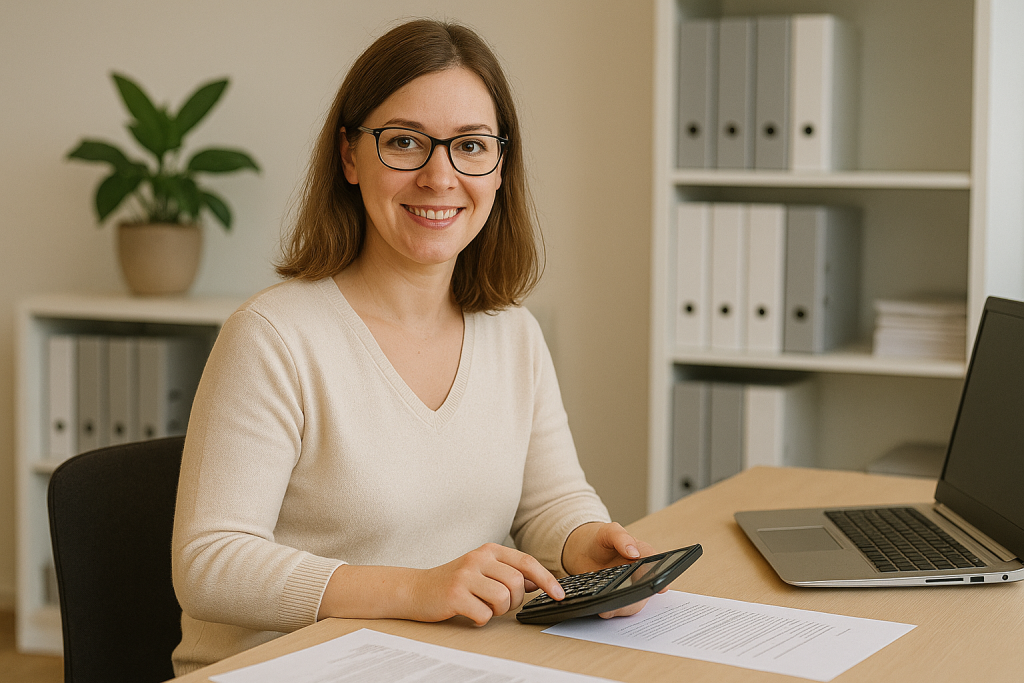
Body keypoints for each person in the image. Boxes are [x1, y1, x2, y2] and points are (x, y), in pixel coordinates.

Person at [170, 18, 658, 675]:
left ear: (499, 165)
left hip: (442, 660)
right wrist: (416, 588)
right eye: (404, 142)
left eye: (471, 146)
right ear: (349, 155)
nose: (439, 175)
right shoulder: (274, 336)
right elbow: (210, 562)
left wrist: (583, 542)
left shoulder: (513, 331)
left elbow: (548, 502)